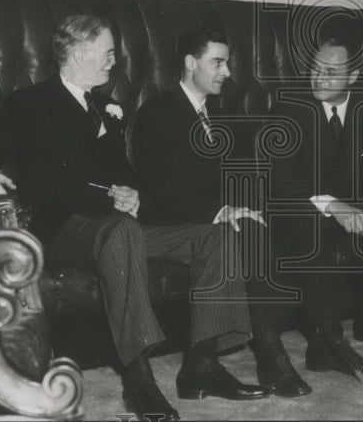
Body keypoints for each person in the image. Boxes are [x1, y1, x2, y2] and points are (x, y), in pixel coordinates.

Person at [0, 15, 268, 421]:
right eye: (106, 52)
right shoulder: (28, 103)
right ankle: (138, 380)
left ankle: (201, 368)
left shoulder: (109, 108)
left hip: (115, 227)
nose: (112, 61)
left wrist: (132, 193)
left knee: (216, 235)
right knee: (121, 230)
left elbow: (123, 171)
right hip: (62, 231)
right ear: (78, 53)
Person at [132, 25, 312, 398]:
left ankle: (307, 342)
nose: (227, 72)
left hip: (220, 219)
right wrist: (221, 211)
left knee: (264, 224)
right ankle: (270, 357)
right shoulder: (158, 112)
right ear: (189, 62)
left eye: (227, 63)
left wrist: (250, 206)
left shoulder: (224, 114)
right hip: (174, 224)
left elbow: (247, 174)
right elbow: (163, 188)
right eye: (217, 62)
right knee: (240, 231)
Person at [263, 34, 363, 379]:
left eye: (331, 71)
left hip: (360, 210)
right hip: (303, 208)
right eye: (316, 67)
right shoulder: (289, 106)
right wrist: (335, 207)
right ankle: (325, 342)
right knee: (310, 225)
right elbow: (283, 181)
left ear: (354, 77)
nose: (319, 77)